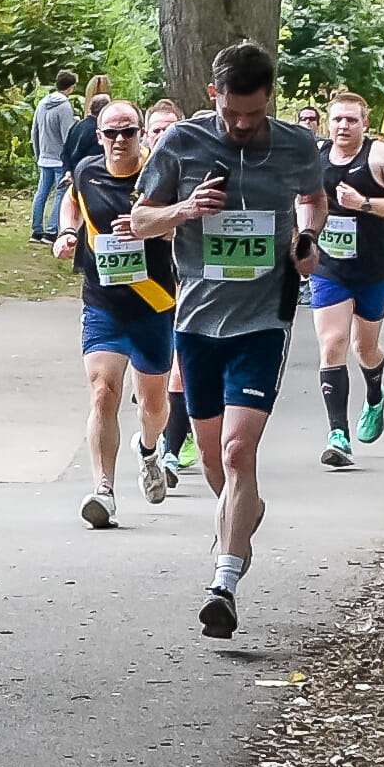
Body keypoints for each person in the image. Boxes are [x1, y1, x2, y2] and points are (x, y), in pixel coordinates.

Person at [134, 41, 330, 641]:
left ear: (270, 97)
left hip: (264, 320)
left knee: (240, 453)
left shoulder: (296, 144)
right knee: (220, 465)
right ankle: (242, 517)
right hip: (196, 322)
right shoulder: (182, 143)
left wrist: (306, 238)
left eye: (254, 114)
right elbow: (140, 219)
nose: (243, 126)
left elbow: (314, 199)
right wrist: (186, 210)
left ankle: (223, 583)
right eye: (232, 114)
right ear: (213, 95)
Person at [53, 96, 181, 527]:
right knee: (102, 390)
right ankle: (103, 490)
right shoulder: (88, 171)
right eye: (112, 132)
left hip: (154, 304)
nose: (120, 140)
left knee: (153, 405)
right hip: (103, 303)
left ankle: (149, 450)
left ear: (143, 134)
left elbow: (186, 224)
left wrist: (152, 228)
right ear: (99, 136)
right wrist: (68, 232)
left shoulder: (161, 175)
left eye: (129, 131)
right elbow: (72, 201)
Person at [304, 90, 384, 469]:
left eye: (351, 120)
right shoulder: (316, 158)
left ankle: (374, 394)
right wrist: (302, 238)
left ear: (364, 124)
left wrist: (365, 205)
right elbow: (302, 200)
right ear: (327, 122)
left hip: (371, 267)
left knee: (364, 348)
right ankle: (338, 434)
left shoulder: (381, 156)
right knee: (332, 342)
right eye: (337, 119)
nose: (343, 126)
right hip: (330, 266)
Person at [28, 77, 85, 239]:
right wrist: (71, 159)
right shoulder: (64, 106)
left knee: (41, 193)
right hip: (59, 159)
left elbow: (35, 131)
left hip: (44, 156)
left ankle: (36, 229)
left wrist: (38, 154)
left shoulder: (42, 103)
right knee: (61, 194)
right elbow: (67, 135)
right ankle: (52, 231)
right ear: (71, 87)